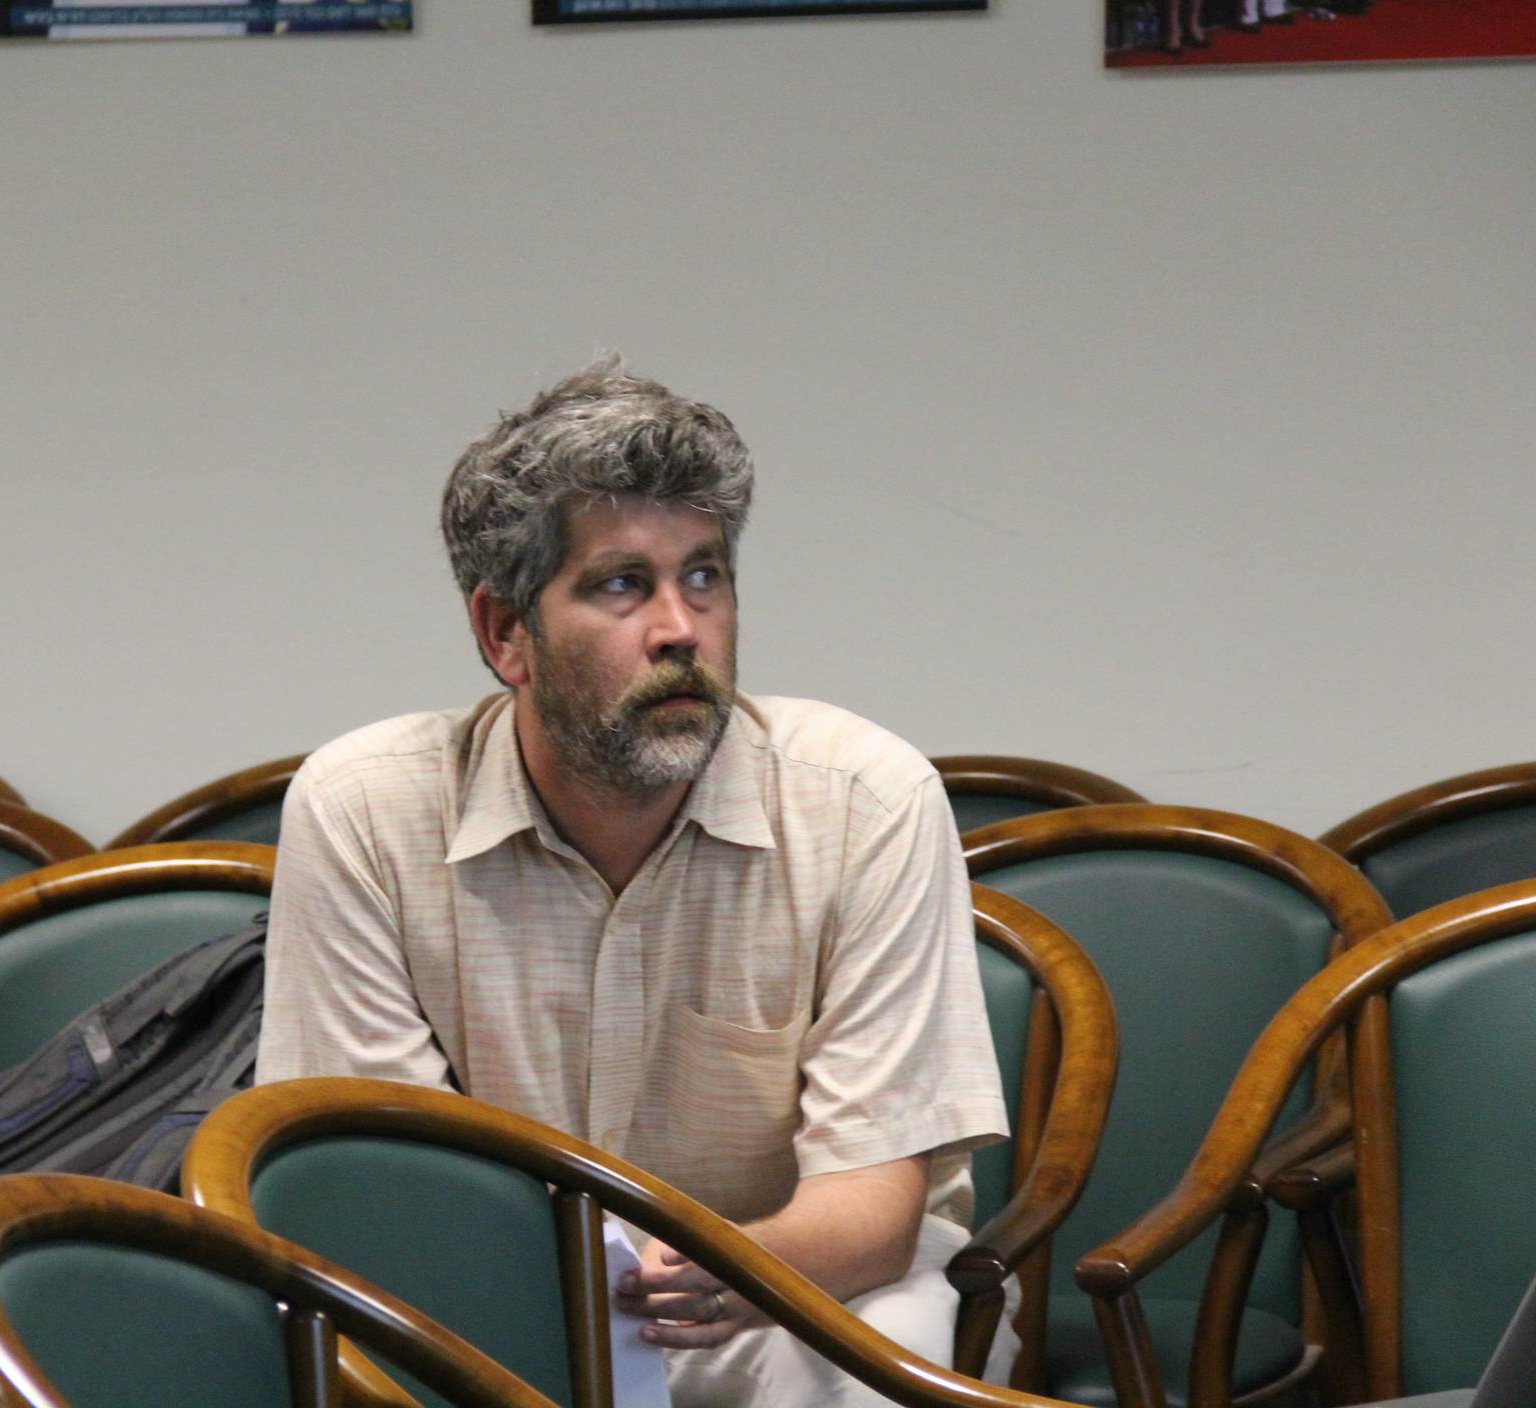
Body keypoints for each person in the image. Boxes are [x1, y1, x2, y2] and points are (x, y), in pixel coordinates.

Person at [258, 358, 1014, 1405]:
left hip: (794, 1290)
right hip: (494, 1313)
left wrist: (710, 1274)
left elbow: (874, 1211)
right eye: (622, 584)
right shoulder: (365, 812)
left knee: (891, 1348)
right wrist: (580, 1310)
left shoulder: (867, 803)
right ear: (504, 633)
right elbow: (391, 1189)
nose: (680, 629)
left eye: (704, 577)